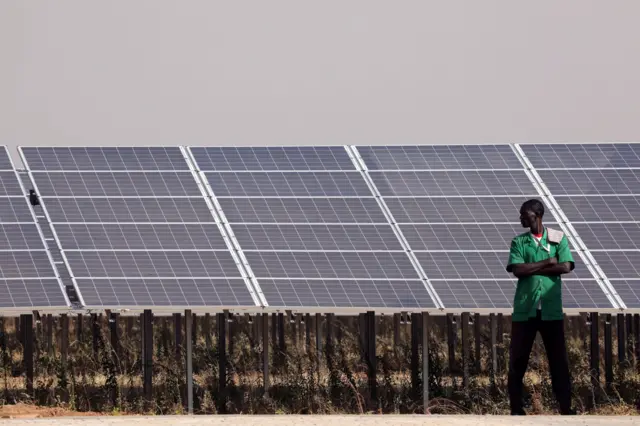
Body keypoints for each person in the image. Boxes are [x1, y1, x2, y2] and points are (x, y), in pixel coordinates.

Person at [505, 199, 576, 415]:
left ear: (536, 215)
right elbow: (517, 270)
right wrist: (547, 263)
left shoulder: (558, 238)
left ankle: (566, 407)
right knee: (518, 361)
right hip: (525, 310)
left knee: (559, 361)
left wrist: (532, 269)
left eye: (524, 214)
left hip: (550, 310)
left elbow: (565, 266)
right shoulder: (519, 242)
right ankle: (516, 408)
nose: (520, 218)